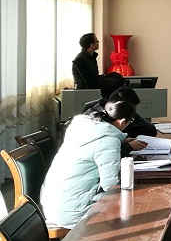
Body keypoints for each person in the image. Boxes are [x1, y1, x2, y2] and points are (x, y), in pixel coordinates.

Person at [40, 95, 136, 229]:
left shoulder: (82, 127)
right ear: (122, 121)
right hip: (73, 211)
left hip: (53, 205)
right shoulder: (108, 141)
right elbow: (110, 186)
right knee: (134, 206)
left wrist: (119, 143)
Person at [82, 73, 156, 156]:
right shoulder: (114, 116)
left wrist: (121, 143)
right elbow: (106, 153)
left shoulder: (93, 109)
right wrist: (128, 147)